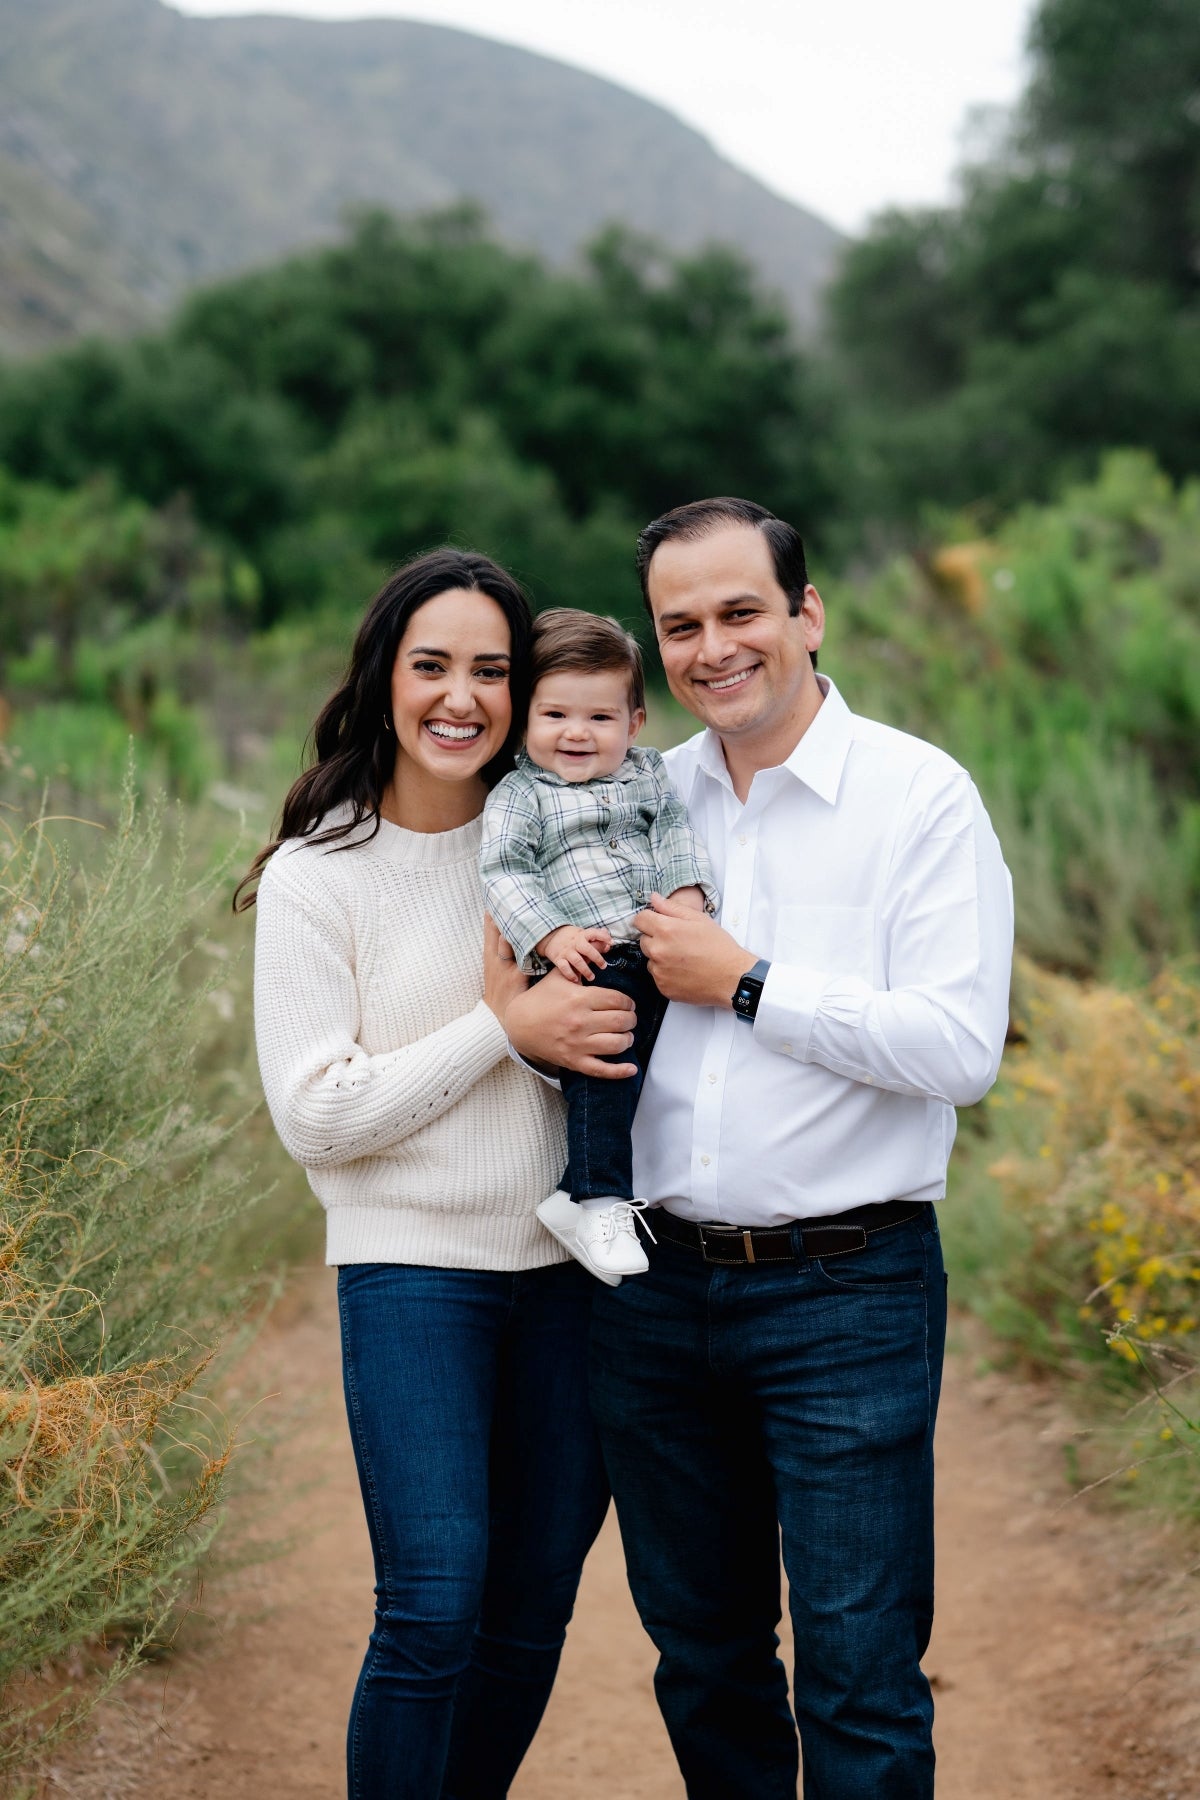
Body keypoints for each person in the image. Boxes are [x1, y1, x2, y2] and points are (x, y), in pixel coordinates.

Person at [589, 497, 1015, 1800]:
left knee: (859, 1674)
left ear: (806, 615)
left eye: (739, 613)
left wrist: (750, 980)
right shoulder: (635, 802)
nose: (712, 648)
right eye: (680, 627)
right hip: (655, 1296)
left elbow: (961, 1050)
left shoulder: (918, 796)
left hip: (850, 1293)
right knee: (703, 1661)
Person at [237, 549, 635, 1800]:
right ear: (384, 677)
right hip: (413, 1279)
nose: (460, 697)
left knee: (529, 1615)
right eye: (432, 666)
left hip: (571, 1279)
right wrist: (499, 1030)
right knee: (433, 1602)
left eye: (492, 671)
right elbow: (318, 1115)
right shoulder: (319, 875)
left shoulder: (566, 841)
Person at [480, 608, 717, 1283]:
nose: (577, 733)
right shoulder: (521, 795)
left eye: (600, 719)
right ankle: (600, 1198)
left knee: (651, 1063)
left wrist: (689, 892)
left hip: (656, 947)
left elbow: (673, 831)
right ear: (525, 718)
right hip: (587, 957)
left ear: (635, 723)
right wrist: (549, 935)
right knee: (607, 1062)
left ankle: (569, 1193)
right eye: (555, 716)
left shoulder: (647, 775)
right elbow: (504, 871)